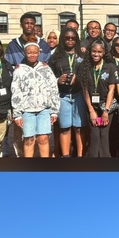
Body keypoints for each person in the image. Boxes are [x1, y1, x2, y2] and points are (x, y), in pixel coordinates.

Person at [11, 41, 60, 158]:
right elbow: (15, 91)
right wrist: (17, 114)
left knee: (43, 138)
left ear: (39, 53)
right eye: (29, 53)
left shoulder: (45, 68)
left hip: (44, 110)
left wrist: (54, 111)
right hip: (27, 111)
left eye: (34, 52)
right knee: (29, 139)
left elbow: (53, 89)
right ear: (25, 53)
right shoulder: (19, 70)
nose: (32, 55)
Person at [48, 27, 87, 157]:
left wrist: (78, 77)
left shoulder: (83, 56)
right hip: (63, 96)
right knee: (65, 127)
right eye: (67, 38)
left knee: (79, 127)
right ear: (62, 39)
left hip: (79, 95)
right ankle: (66, 156)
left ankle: (80, 156)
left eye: (73, 38)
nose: (70, 40)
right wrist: (58, 80)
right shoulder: (55, 57)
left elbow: (88, 74)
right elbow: (48, 77)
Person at [78, 39, 118, 157]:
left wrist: (106, 110)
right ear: (90, 51)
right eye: (94, 51)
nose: (96, 54)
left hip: (106, 105)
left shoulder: (110, 67)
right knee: (94, 136)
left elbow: (112, 90)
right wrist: (91, 110)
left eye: (99, 52)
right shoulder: (85, 67)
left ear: (104, 52)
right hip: (92, 106)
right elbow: (84, 90)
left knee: (104, 136)